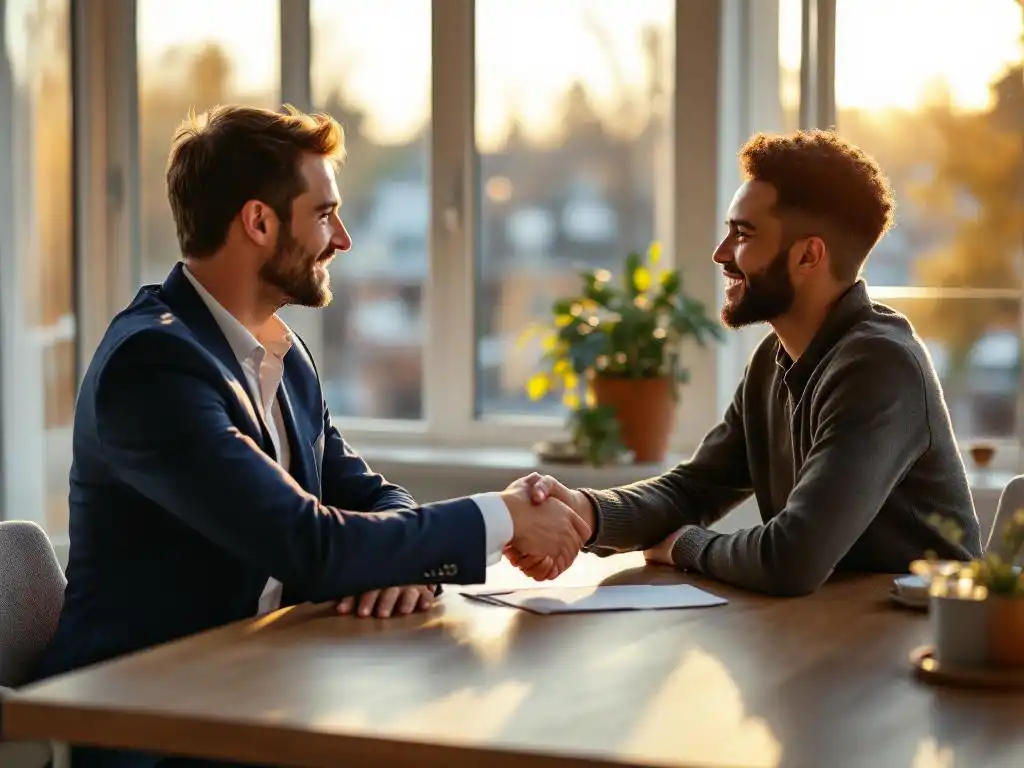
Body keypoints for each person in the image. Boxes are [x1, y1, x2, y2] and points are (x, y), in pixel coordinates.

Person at [34, 105, 590, 747]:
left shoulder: (282, 353)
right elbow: (310, 545)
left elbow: (373, 495)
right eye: (324, 214)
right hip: (150, 726)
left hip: (261, 684)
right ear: (259, 222)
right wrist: (504, 515)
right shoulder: (153, 367)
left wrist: (406, 564)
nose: (344, 238)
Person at [509, 129, 982, 596]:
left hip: (922, 641)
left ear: (808, 255)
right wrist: (582, 511)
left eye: (743, 234)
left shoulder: (880, 366)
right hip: (829, 631)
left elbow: (791, 559)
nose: (721, 254)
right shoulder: (773, 363)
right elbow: (693, 490)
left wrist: (685, 546)